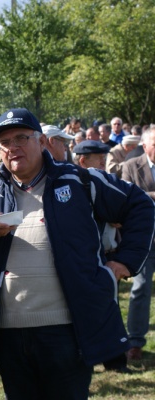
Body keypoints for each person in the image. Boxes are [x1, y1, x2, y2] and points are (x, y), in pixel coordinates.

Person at [0, 107, 154, 399]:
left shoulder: (80, 180)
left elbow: (141, 205)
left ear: (42, 142)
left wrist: (123, 263)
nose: (12, 147)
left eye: (21, 138)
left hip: (67, 332)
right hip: (6, 334)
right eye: (4, 142)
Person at [73, 139, 131, 373]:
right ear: (83, 161)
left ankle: (115, 359)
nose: (104, 164)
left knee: (109, 308)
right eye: (99, 160)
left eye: (105, 159)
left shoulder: (103, 182)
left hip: (108, 254)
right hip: (88, 258)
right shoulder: (77, 185)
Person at [122, 127, 155, 361]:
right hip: (145, 239)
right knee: (141, 288)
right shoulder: (131, 166)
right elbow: (124, 200)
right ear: (144, 146)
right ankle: (135, 341)